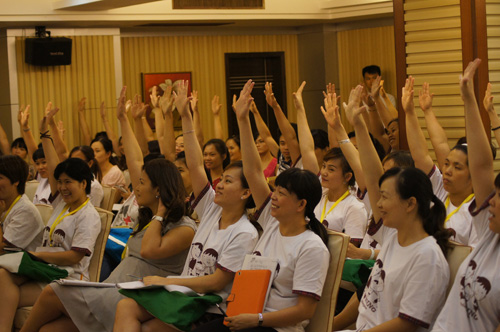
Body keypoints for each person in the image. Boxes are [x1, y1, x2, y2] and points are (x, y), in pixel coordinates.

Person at [20, 86, 196, 332]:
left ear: (159, 189)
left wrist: (160, 213)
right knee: (50, 330)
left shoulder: (185, 228)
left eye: (142, 183)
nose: (137, 187)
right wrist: (123, 118)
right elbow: (135, 162)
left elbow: (148, 250)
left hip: (138, 297)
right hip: (113, 288)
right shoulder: (147, 217)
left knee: (54, 291)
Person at [113, 80, 258, 332]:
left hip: (208, 307)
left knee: (147, 328)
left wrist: (166, 280)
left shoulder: (245, 232)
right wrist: (185, 117)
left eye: (227, 181)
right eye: (220, 180)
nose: (219, 185)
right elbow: (195, 165)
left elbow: (216, 282)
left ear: (246, 192)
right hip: (182, 293)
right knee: (125, 306)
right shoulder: (212, 210)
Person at [193, 79, 330, 332]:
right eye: (274, 190)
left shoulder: (311, 247)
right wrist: (243, 120)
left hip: (274, 327)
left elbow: (305, 311)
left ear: (301, 204)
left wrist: (256, 319)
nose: (273, 197)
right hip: (247, 316)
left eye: (281, 193)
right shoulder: (271, 222)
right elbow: (253, 171)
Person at [333, 85, 450, 332]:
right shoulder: (394, 236)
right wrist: (358, 125)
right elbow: (368, 296)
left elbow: (407, 323)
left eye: (386, 197)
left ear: (411, 203)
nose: (379, 203)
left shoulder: (426, 256)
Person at [0, 107, 101, 331]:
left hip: (68, 276)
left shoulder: (89, 215)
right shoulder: (62, 205)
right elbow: (55, 165)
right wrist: (44, 132)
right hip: (44, 269)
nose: (62, 188)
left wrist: (37, 255)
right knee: (3, 276)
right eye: (60, 183)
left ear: (83, 184)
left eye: (68, 183)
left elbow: (75, 256)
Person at [431, 59, 500, 332]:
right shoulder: (490, 233)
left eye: (498, 196)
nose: (490, 201)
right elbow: (482, 166)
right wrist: (468, 100)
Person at [403, 77, 476, 246]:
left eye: (457, 167)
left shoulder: (478, 209)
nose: (448, 171)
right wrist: (410, 112)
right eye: (447, 164)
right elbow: (420, 154)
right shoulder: (441, 191)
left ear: (474, 175)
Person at [0, 155, 44, 252]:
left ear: (16, 181)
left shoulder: (26, 211)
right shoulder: (4, 204)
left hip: (22, 264)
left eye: (0, 178)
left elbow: (3, 250)